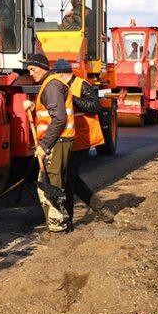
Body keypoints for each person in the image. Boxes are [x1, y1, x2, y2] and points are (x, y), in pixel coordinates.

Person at [51, 59, 115, 224]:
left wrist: (72, 99)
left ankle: (69, 219)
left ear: (62, 74)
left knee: (69, 177)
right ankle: (99, 208)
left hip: (83, 138)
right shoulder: (62, 87)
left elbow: (95, 106)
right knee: (70, 176)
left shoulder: (81, 84)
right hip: (71, 138)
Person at [23, 53, 74, 233]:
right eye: (29, 70)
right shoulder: (51, 83)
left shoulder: (51, 85)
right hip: (59, 140)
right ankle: (60, 223)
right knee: (54, 181)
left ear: (43, 67)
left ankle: (58, 227)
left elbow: (59, 118)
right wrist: (34, 106)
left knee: (51, 184)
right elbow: (51, 110)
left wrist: (44, 145)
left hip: (57, 141)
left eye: (33, 69)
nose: (31, 74)